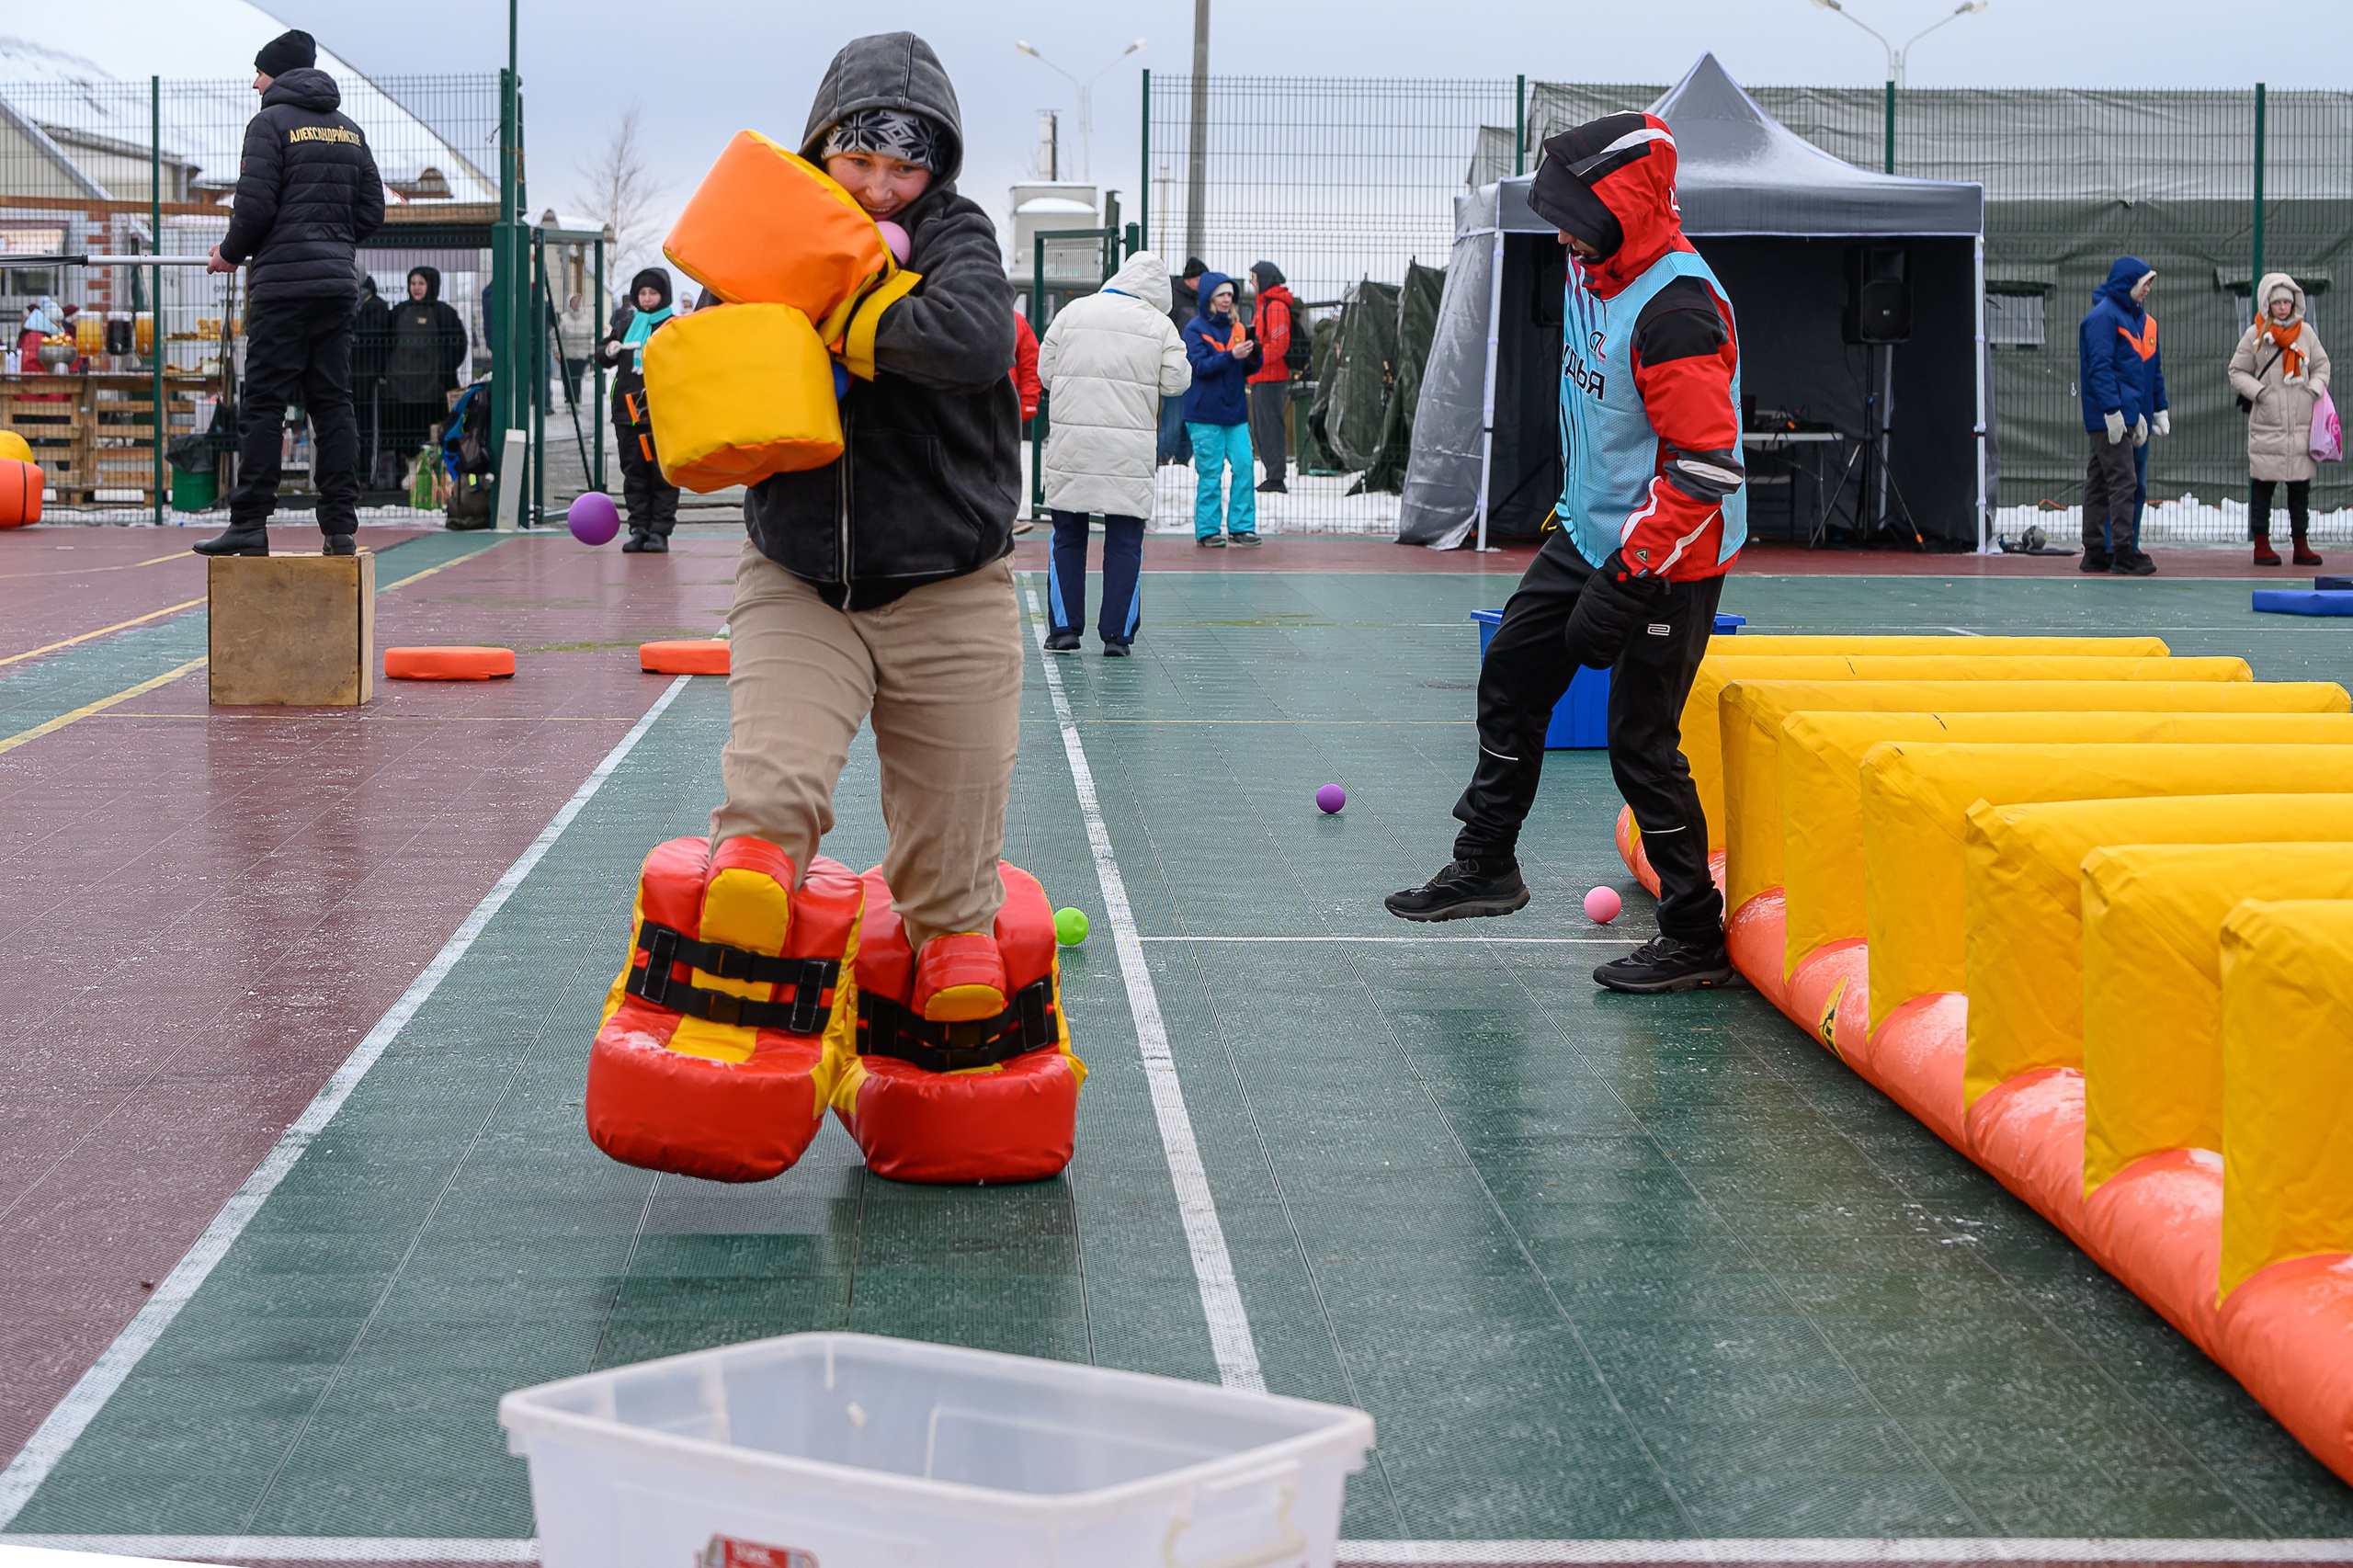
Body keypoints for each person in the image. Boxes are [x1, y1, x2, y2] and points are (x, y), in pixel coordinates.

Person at [1386, 113, 1747, 994]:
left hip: (1670, 551)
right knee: (1513, 670)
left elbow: (1707, 466)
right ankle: (1486, 864)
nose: (1559, 233)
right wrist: (1588, 523)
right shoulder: (1595, 264)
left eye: (1573, 213)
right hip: (1589, 532)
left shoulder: (1678, 310)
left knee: (1640, 741)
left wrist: (1632, 573)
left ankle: (1696, 935)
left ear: (1621, 206)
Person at [715, 31, 1026, 1002]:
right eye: (858, 161)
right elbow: (718, 333)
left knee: (952, 859)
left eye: (906, 164)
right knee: (769, 797)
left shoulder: (956, 234)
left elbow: (974, 338)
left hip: (950, 584)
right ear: (819, 152)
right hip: (799, 578)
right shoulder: (769, 229)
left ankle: (950, 961)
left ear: (936, 166)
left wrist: (838, 316)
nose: (882, 186)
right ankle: (749, 919)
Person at [196, 29, 383, 558]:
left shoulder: (269, 123)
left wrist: (230, 254)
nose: (254, 82)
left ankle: (250, 522)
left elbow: (252, 207)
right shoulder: (349, 130)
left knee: (264, 405)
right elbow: (372, 211)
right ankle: (340, 529)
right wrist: (330, 240)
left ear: (276, 73)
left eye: (258, 71)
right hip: (335, 289)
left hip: (282, 289)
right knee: (332, 403)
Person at [1036, 250, 1191, 655]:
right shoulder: (1160, 325)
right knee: (1125, 542)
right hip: (1128, 449)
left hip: (1074, 445)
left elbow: (1045, 371)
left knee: (1067, 537)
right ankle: (1117, 637)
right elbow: (1176, 381)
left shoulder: (1073, 311)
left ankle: (1064, 629)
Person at [2229, 271, 2331, 568]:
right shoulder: (2256, 336)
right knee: (2263, 486)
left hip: (2301, 424)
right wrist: (2260, 392)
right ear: (2267, 304)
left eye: (2288, 302)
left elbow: (2322, 365)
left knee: (2300, 487)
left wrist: (2313, 388)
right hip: (2267, 424)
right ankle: (2262, 546)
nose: (2283, 308)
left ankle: (2301, 544)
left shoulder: (2306, 334)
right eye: (2277, 303)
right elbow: (2237, 371)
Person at [2078, 256, 2166, 577]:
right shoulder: (2104, 317)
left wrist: (2139, 414)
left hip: (2120, 413)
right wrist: (2113, 412)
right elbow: (2100, 368)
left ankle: (2096, 551)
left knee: (2102, 481)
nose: (2146, 292)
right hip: (2108, 416)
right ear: (2129, 284)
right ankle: (2123, 550)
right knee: (2124, 481)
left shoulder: (2125, 316)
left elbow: (2135, 373)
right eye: (2144, 285)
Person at [598, 267, 680, 552]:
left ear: (664, 295)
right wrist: (608, 350)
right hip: (627, 414)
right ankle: (638, 529)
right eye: (642, 293)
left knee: (661, 472)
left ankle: (660, 531)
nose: (647, 299)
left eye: (653, 293)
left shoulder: (672, 326)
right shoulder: (625, 323)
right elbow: (603, 355)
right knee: (633, 472)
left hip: (659, 414)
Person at [1182, 271, 1262, 546]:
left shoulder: (1238, 329)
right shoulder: (1194, 329)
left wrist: (1255, 355)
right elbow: (1199, 367)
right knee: (1210, 472)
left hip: (1235, 412)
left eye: (1230, 294)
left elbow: (1245, 370)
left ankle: (1242, 527)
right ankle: (1207, 530)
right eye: (1221, 295)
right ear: (1209, 298)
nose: (1227, 299)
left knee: (1244, 465)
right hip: (1204, 414)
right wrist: (1231, 356)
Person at [1245, 260, 1295, 494]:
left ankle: (1276, 476)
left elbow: (1279, 343)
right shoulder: (1264, 306)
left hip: (1270, 377)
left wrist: (1256, 359)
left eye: (1253, 277)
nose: (1251, 282)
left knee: (1270, 427)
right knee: (1263, 428)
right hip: (1261, 377)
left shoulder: (1274, 307)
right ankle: (1272, 473)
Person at [1159, 256, 1206, 466]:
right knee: (1174, 416)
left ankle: (1182, 460)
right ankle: (1162, 458)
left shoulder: (1199, 300)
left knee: (1189, 417)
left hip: (1196, 368)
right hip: (1175, 366)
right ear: (1192, 278)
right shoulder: (1173, 298)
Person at [351, 272, 392, 487]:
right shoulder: (346, 303)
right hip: (346, 375)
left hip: (368, 378)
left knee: (368, 427)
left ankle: (368, 475)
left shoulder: (375, 306)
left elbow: (372, 335)